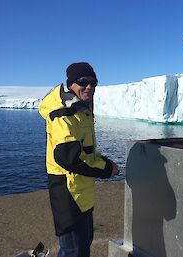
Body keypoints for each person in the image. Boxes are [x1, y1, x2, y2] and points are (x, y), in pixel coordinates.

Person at [39, 62, 119, 257]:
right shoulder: (63, 113)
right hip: (68, 191)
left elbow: (86, 151)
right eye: (83, 82)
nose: (89, 87)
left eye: (93, 83)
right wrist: (107, 169)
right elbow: (69, 158)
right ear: (71, 84)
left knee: (82, 247)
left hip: (82, 192)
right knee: (72, 250)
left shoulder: (81, 111)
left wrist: (104, 161)